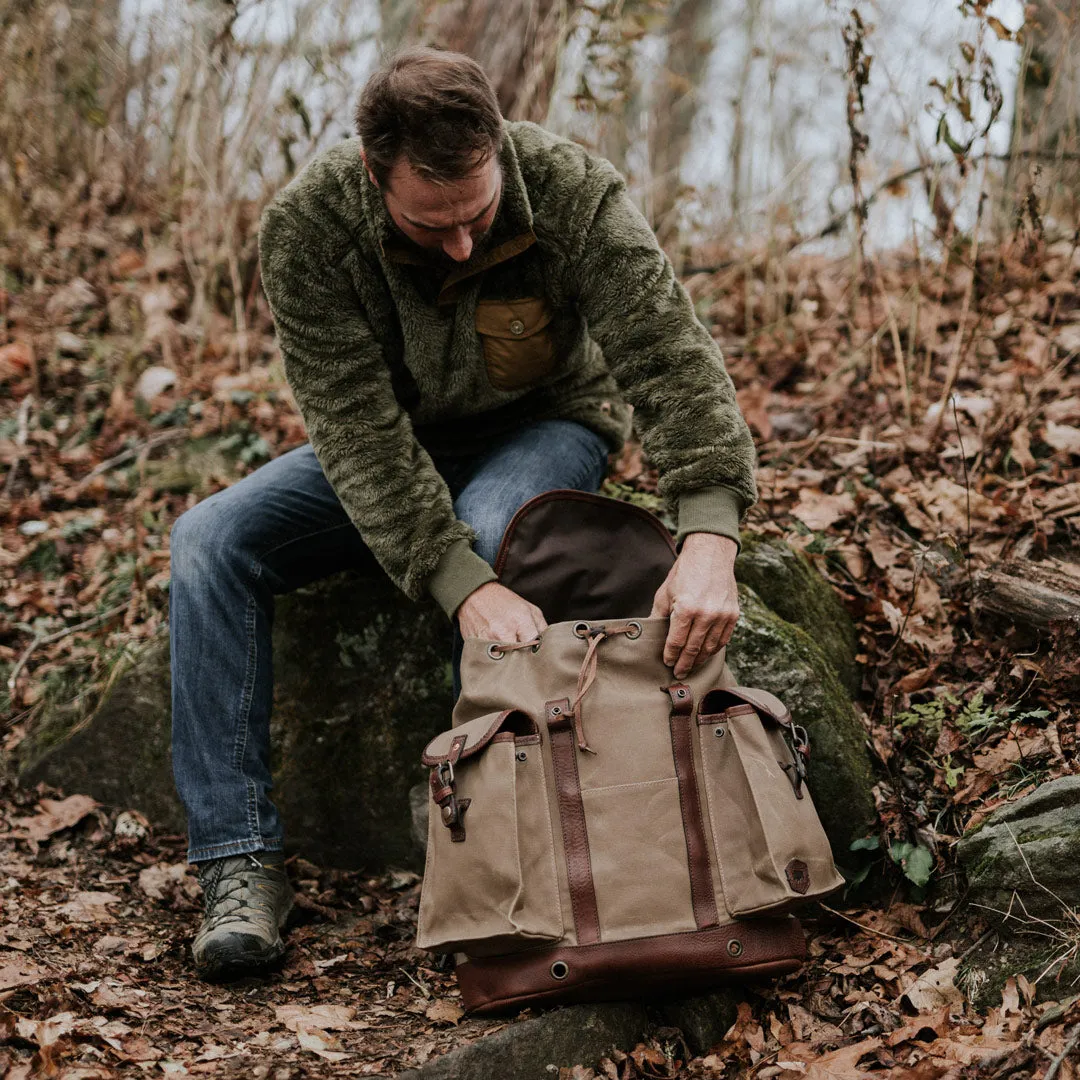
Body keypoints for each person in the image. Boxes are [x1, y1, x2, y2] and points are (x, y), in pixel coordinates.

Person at [168, 46, 758, 981]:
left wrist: (709, 533)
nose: (460, 245)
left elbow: (668, 358)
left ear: (497, 151)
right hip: (394, 446)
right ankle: (238, 864)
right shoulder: (307, 229)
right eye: (428, 224)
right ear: (373, 173)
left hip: (549, 427)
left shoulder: (573, 193)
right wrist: (456, 584)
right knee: (207, 542)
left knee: (493, 524)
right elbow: (356, 427)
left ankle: (499, 860)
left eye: (476, 216)